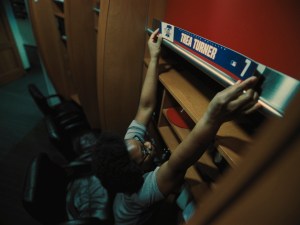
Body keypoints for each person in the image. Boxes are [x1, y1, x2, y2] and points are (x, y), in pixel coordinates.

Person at [92, 29, 261, 225]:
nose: (147, 143)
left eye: (140, 141)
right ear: (136, 172)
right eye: (146, 152)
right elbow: (178, 165)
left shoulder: (129, 148)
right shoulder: (142, 192)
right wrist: (214, 116)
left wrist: (154, 56)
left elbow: (145, 107)